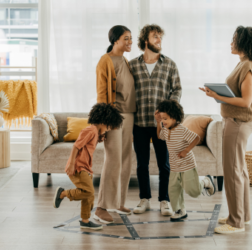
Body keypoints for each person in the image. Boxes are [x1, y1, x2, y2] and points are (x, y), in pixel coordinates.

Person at [199, 26, 252, 234]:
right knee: (239, 170)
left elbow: (245, 101)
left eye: (234, 40)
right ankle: (241, 216)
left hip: (238, 123)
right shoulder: (245, 64)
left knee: (232, 171)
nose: (231, 43)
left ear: (244, 43)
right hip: (237, 122)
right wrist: (216, 94)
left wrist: (217, 96)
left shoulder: (248, 65)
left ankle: (235, 222)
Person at [129, 24, 182, 216]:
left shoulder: (169, 64)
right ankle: (144, 199)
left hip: (163, 125)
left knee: (164, 164)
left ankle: (164, 200)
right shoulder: (132, 65)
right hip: (140, 122)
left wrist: (168, 112)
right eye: (155, 37)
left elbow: (176, 89)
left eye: (160, 37)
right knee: (142, 164)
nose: (159, 40)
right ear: (146, 40)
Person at [53, 103, 124, 230]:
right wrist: (71, 164)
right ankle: (62, 194)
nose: (108, 130)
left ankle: (85, 221)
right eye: (108, 127)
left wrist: (99, 138)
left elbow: (88, 146)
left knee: (89, 196)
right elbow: (76, 146)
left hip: (85, 168)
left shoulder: (95, 132)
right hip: (78, 168)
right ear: (103, 121)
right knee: (89, 191)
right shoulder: (90, 130)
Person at [94, 25, 136, 224]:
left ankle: (118, 202)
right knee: (113, 160)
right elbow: (102, 95)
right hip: (114, 115)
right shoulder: (106, 61)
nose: (130, 42)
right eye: (126, 38)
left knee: (126, 160)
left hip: (130, 115)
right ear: (115, 40)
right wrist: (102, 125)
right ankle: (101, 207)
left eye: (131, 38)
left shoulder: (125, 61)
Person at [155, 100, 216, 221]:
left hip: (187, 164)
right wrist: (158, 123)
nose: (163, 121)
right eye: (162, 119)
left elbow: (196, 138)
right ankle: (180, 210)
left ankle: (206, 182)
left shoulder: (181, 130)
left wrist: (186, 151)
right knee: (173, 189)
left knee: (193, 190)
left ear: (174, 117)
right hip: (174, 165)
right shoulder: (166, 130)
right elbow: (159, 136)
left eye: (165, 119)